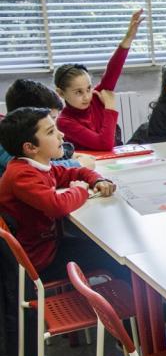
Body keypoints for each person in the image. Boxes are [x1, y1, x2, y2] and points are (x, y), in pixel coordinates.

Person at [0, 107, 121, 282]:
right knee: (113, 257)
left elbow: (75, 172)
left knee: (107, 249)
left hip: (48, 248)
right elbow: (57, 205)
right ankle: (145, 307)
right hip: (38, 264)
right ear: (31, 147)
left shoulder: (35, 166)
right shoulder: (22, 174)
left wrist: (96, 180)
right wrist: (79, 190)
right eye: (51, 132)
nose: (61, 135)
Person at [55, 9, 144, 151]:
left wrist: (128, 38)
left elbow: (113, 70)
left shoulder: (95, 97)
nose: (86, 97)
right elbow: (104, 145)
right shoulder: (64, 122)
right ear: (61, 93)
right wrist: (109, 107)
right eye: (78, 92)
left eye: (88, 89)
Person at [1, 79, 95, 174]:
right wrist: (78, 164)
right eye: (51, 119)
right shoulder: (7, 143)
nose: (59, 132)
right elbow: (34, 169)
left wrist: (68, 154)